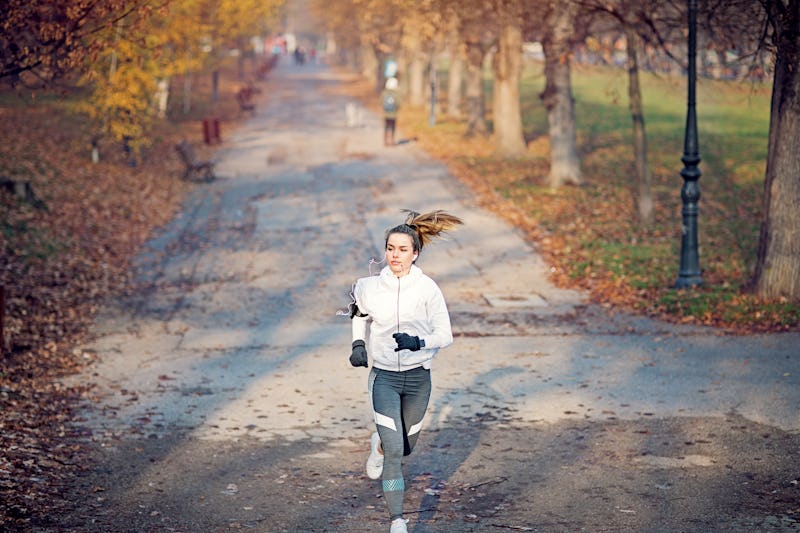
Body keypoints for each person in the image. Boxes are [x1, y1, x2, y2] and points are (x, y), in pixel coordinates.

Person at [347, 209, 463, 533]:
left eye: (402, 250)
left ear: (415, 253)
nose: (395, 256)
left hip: (417, 379)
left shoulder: (428, 290)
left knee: (405, 446)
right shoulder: (370, 286)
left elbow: (446, 335)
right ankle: (397, 520)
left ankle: (379, 446)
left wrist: (417, 342)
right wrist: (358, 344)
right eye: (390, 249)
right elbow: (358, 312)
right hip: (383, 377)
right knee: (397, 450)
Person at [381, 77, 400, 146]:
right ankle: (392, 141)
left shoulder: (384, 93)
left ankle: (385, 141)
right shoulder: (396, 94)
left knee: (386, 127)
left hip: (386, 114)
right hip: (393, 114)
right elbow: (398, 103)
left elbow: (381, 102)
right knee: (393, 127)